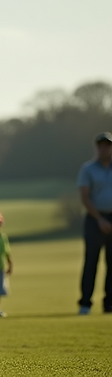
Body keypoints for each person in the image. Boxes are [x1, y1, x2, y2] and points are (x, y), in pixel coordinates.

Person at [77, 131, 112, 315]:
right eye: (100, 145)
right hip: (94, 218)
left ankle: (109, 303)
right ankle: (85, 303)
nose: (103, 148)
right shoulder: (88, 169)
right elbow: (85, 196)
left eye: (107, 145)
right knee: (91, 261)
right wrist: (99, 219)